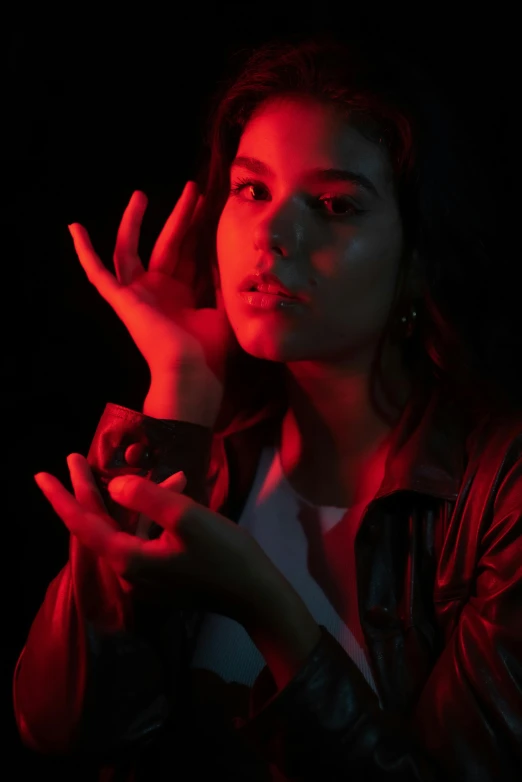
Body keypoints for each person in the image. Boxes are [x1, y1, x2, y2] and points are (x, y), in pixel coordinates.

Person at [13, 34, 522, 781]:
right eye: (251, 190)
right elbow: (63, 727)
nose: (274, 235)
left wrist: (268, 608)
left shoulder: (500, 485)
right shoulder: (210, 442)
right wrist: (179, 388)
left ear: (418, 262)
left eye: (333, 204)